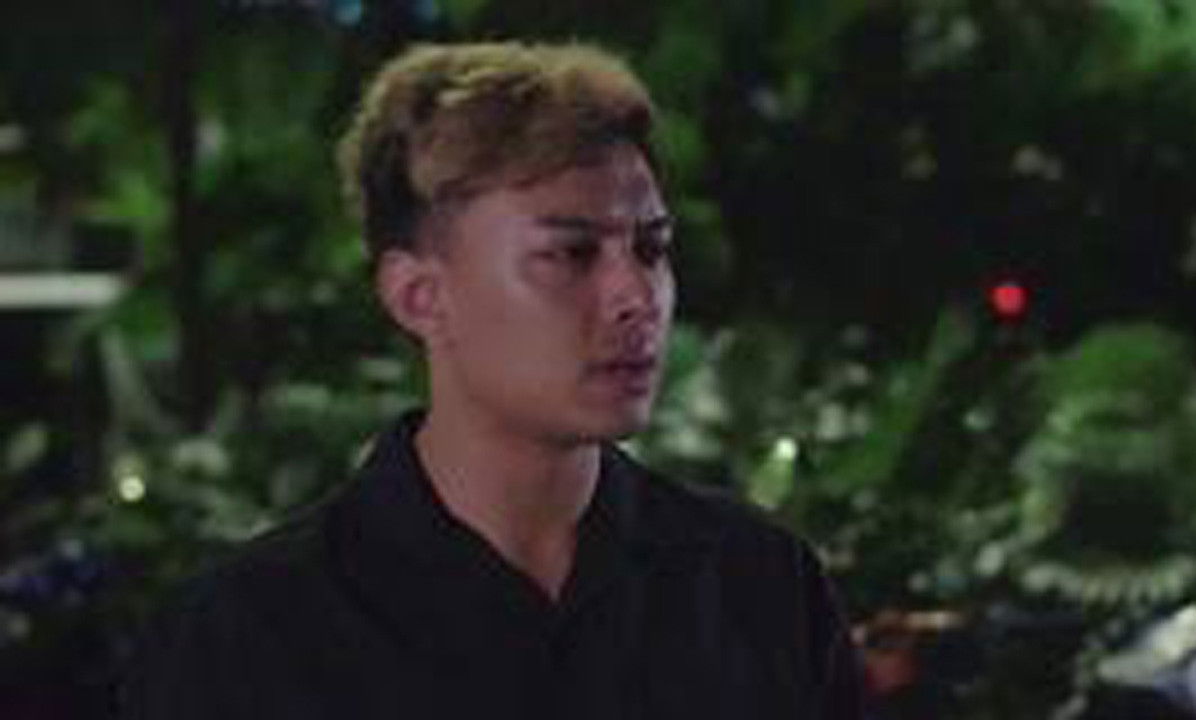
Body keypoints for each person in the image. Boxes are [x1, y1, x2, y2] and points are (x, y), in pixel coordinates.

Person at [119, 41, 864, 719]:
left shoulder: (757, 587)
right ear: (419, 295)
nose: (636, 296)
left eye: (650, 247)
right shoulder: (250, 636)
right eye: (571, 254)